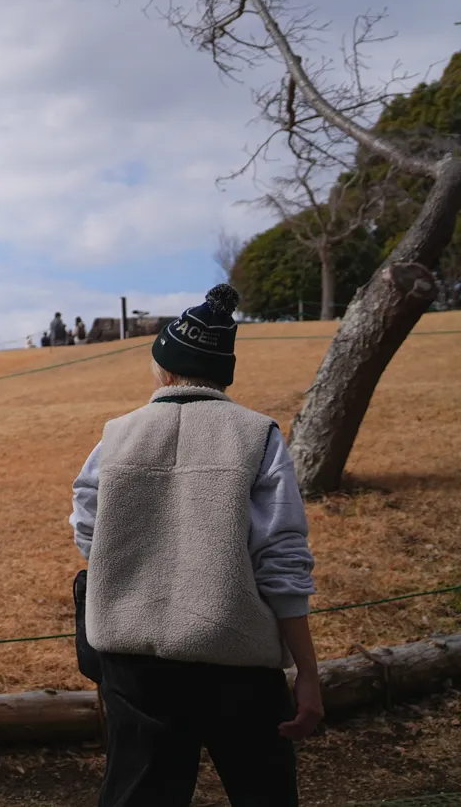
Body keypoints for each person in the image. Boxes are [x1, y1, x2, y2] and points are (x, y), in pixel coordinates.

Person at [69, 284, 320, 807]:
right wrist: (308, 674)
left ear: (163, 367)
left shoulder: (114, 437)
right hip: (238, 660)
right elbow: (281, 560)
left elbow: (88, 530)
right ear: (223, 370)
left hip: (132, 662)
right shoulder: (260, 436)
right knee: (264, 794)